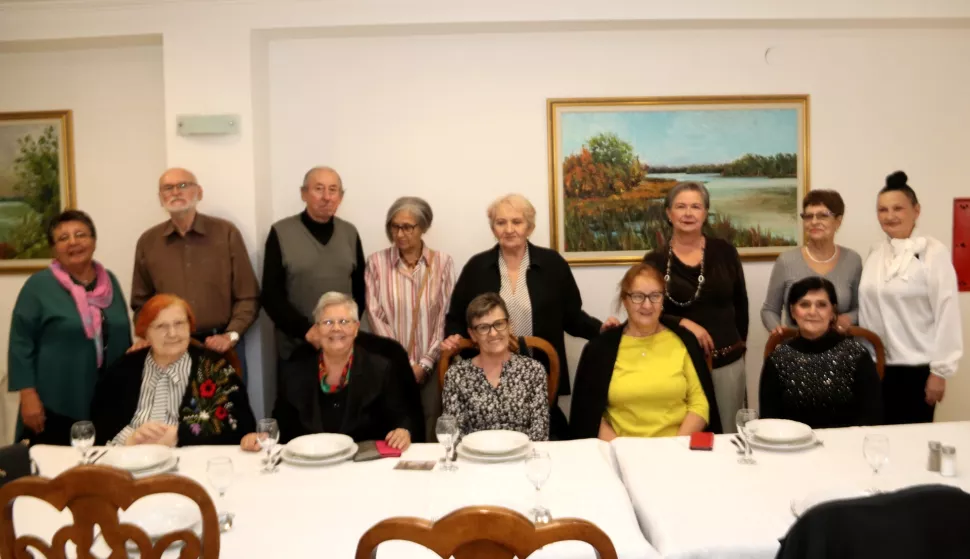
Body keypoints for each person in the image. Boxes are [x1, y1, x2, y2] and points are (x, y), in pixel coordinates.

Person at [442, 193, 618, 437]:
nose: (509, 229)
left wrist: (600, 330)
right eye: (501, 222)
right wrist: (453, 337)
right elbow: (457, 318)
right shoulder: (477, 266)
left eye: (517, 222)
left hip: (539, 373)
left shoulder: (552, 264)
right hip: (485, 376)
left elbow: (572, 316)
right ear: (493, 228)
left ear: (530, 227)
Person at [8, 210, 132, 446]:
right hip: (55, 401)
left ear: (94, 242)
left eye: (80, 235)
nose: (73, 242)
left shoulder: (110, 282)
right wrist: (27, 395)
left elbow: (123, 335)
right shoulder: (39, 286)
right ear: (54, 249)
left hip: (108, 400)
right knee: (54, 476)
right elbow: (20, 343)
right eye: (63, 238)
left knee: (103, 473)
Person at [241, 292, 418, 450]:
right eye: (327, 322)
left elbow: (402, 417)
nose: (336, 328)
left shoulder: (380, 369)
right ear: (317, 330)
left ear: (356, 328)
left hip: (363, 468)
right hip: (310, 468)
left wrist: (403, 431)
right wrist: (261, 437)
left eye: (343, 322)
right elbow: (279, 425)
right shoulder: (295, 371)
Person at [130, 167, 260, 378]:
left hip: (221, 348)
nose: (175, 192)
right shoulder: (148, 242)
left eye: (183, 185)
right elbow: (141, 302)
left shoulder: (226, 233)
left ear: (199, 192)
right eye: (168, 188)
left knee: (228, 410)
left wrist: (231, 335)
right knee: (175, 410)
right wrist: (147, 335)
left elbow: (248, 296)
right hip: (169, 351)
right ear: (160, 197)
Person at [570, 263, 720, 439]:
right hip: (620, 452)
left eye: (655, 296)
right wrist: (622, 450)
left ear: (663, 299)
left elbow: (699, 404)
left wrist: (675, 447)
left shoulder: (683, 342)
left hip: (677, 449)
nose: (647, 305)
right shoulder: (601, 349)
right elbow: (590, 416)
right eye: (638, 296)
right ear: (625, 300)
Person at [643, 182, 747, 433]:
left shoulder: (725, 252)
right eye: (680, 206)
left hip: (726, 362)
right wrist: (684, 323)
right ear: (669, 214)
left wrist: (739, 346)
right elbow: (647, 312)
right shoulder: (654, 260)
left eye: (695, 206)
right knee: (683, 437)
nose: (688, 213)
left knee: (728, 437)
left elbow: (741, 305)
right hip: (677, 363)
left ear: (705, 213)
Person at [859, 171, 962, 424]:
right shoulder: (875, 252)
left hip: (915, 372)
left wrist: (940, 372)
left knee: (910, 448)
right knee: (876, 440)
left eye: (898, 208)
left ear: (916, 210)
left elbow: (947, 313)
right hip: (875, 368)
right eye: (882, 210)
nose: (890, 216)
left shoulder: (933, 254)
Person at [91, 294, 256, 446]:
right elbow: (99, 426)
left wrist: (180, 435)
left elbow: (239, 426)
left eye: (179, 324)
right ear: (145, 333)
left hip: (194, 467)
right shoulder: (123, 370)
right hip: (131, 465)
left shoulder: (213, 368)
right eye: (161, 326)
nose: (172, 333)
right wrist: (130, 439)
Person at [365, 197, 455, 441]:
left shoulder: (443, 263)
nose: (400, 233)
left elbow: (444, 318)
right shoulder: (376, 262)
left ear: (423, 227)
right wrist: (403, 363)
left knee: (430, 425)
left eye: (408, 227)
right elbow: (375, 315)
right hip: (389, 366)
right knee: (394, 426)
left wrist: (424, 363)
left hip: (432, 365)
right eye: (394, 227)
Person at [262, 166, 366, 361]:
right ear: (304, 194)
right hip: (296, 346)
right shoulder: (281, 233)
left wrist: (345, 328)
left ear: (340, 197)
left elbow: (361, 289)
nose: (326, 197)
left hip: (342, 345)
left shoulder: (349, 233)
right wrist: (307, 331)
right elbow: (271, 295)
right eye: (319, 189)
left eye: (333, 190)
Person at [760, 277, 882, 428]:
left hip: (847, 446)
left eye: (821, 305)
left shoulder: (857, 355)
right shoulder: (777, 360)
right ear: (793, 311)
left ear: (833, 311)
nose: (812, 312)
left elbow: (872, 415)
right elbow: (769, 421)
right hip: (792, 447)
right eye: (804, 304)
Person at [442, 293, 549, 441]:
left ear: (509, 325)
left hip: (521, 458)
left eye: (499, 324)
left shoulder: (533, 371)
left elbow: (540, 434)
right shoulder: (456, 375)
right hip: (474, 459)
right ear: (472, 334)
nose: (493, 333)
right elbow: (454, 437)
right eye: (483, 327)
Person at [761, 190, 863, 335]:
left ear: (838, 221)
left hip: (840, 349)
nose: (814, 222)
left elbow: (861, 309)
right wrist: (778, 331)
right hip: (797, 349)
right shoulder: (786, 261)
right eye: (808, 216)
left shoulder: (852, 260)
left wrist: (847, 318)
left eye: (822, 216)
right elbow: (769, 310)